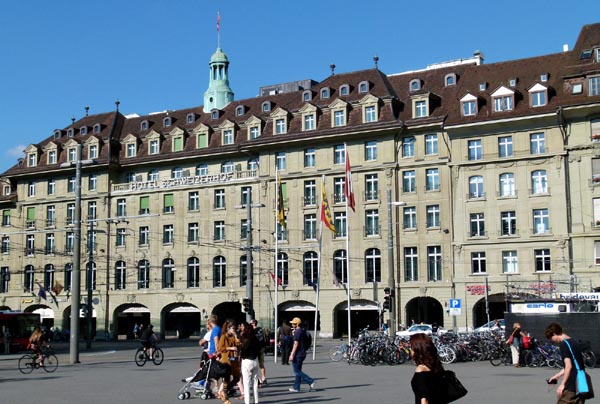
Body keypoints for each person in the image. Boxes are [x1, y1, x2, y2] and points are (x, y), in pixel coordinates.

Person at [545, 322, 588, 404]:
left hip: (571, 386)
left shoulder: (563, 344)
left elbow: (568, 366)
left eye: (551, 338)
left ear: (554, 333)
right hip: (581, 385)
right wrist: (557, 376)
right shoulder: (574, 342)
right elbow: (574, 365)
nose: (552, 340)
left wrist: (562, 384)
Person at [410, 333, 446, 404]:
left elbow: (424, 399)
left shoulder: (421, 369)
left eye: (411, 347)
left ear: (418, 349)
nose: (410, 350)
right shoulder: (435, 366)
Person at [288, 317, 315, 393]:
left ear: (297, 324)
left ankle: (310, 381)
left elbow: (296, 343)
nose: (292, 324)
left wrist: (292, 354)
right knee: (298, 370)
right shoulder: (302, 331)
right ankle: (296, 387)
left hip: (298, 354)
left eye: (293, 323)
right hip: (302, 353)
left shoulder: (297, 332)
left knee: (296, 371)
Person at [217, 320, 242, 400]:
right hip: (227, 358)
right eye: (233, 328)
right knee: (227, 378)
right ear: (228, 328)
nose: (234, 330)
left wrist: (236, 336)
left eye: (235, 328)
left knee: (237, 377)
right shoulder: (224, 336)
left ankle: (224, 390)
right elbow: (220, 348)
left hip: (234, 358)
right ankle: (223, 393)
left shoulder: (234, 336)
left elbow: (239, 344)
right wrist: (230, 348)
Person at [239, 321, 260, 404]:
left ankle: (247, 402)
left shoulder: (244, 338)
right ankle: (256, 401)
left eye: (242, 326)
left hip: (246, 361)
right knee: (255, 382)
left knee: (246, 383)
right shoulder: (255, 338)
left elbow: (242, 350)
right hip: (255, 360)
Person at [249, 319, 268, 385]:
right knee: (253, 364)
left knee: (261, 363)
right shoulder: (250, 330)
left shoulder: (259, 330)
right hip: (253, 350)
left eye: (251, 323)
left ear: (254, 323)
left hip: (259, 349)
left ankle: (263, 378)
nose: (250, 324)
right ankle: (256, 378)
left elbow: (260, 339)